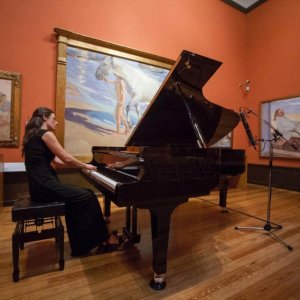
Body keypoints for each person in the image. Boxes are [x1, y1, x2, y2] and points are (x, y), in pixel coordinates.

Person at [22, 107, 119, 256]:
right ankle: (103, 239)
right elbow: (66, 158)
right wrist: (86, 166)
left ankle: (82, 244)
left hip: (39, 187)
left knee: (82, 196)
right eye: (54, 118)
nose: (57, 122)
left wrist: (84, 165)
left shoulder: (33, 136)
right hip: (45, 185)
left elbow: (58, 161)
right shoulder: (46, 134)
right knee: (87, 196)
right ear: (44, 118)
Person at [104, 70, 129, 134]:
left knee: (117, 115)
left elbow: (123, 92)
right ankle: (127, 128)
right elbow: (111, 82)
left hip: (120, 101)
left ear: (119, 75)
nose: (115, 74)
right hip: (119, 100)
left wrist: (121, 101)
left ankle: (117, 131)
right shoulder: (117, 80)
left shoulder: (121, 81)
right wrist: (106, 79)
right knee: (121, 115)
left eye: (116, 74)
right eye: (115, 74)